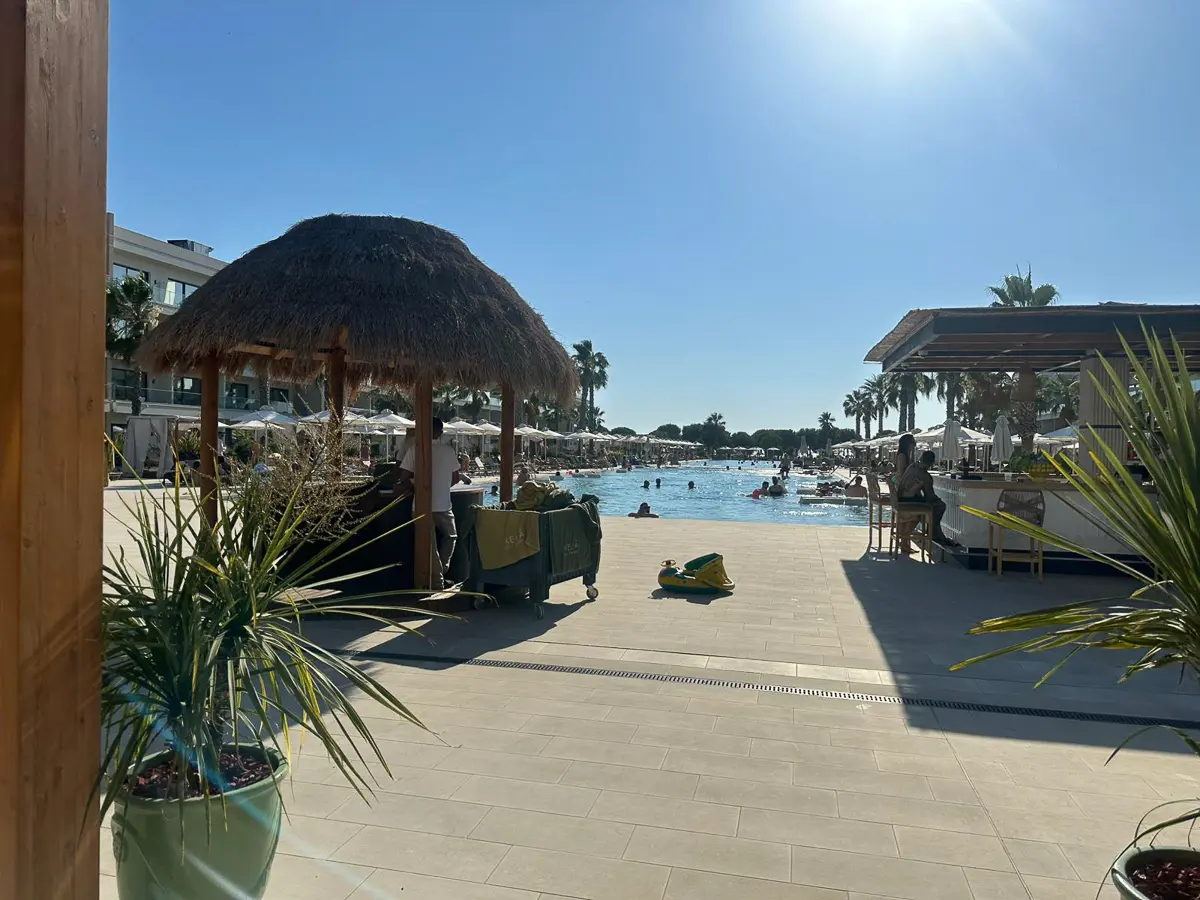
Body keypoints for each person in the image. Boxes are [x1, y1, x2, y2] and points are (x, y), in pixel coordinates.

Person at [398, 417, 470, 588]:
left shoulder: (415, 450)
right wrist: (442, 486)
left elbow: (403, 478)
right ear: (441, 432)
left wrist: (416, 487)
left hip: (420, 505)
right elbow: (454, 479)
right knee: (451, 537)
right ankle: (440, 577)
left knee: (430, 545)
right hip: (444, 504)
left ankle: (438, 578)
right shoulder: (448, 451)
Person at [896, 449, 948, 551]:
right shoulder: (924, 475)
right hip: (908, 502)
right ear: (931, 463)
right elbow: (929, 495)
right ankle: (931, 533)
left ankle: (930, 532)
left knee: (929, 506)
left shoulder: (912, 466)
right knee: (940, 506)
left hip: (900, 499)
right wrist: (937, 500)